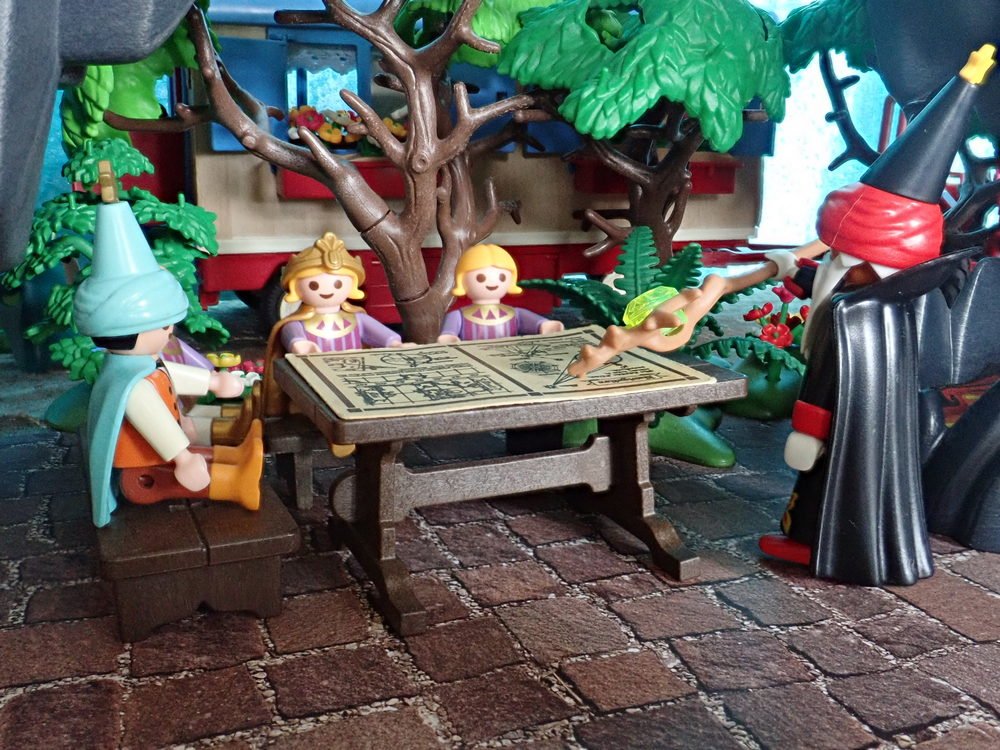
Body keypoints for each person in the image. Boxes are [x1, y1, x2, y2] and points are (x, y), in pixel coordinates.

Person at [570, 45, 997, 585]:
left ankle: (822, 545)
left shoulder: (860, 314)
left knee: (828, 479)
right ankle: (818, 539)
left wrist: (809, 428)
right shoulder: (863, 294)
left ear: (873, 258)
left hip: (842, 423)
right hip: (856, 425)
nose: (834, 261)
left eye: (844, 255)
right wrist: (770, 273)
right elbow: (812, 276)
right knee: (828, 482)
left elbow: (836, 381)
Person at [76, 162, 264, 528]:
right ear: (129, 329)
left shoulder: (140, 365)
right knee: (191, 473)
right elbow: (153, 421)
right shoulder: (131, 384)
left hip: (168, 440)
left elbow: (171, 374)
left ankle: (235, 456)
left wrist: (212, 382)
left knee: (198, 448)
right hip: (147, 459)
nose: (169, 332)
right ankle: (235, 483)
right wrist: (181, 457)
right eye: (163, 326)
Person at [437, 244, 564, 342]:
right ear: (462, 279)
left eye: (502, 277)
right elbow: (448, 334)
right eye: (480, 278)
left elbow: (535, 322)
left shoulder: (514, 313)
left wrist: (545, 325)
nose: (492, 282)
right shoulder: (458, 316)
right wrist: (448, 337)